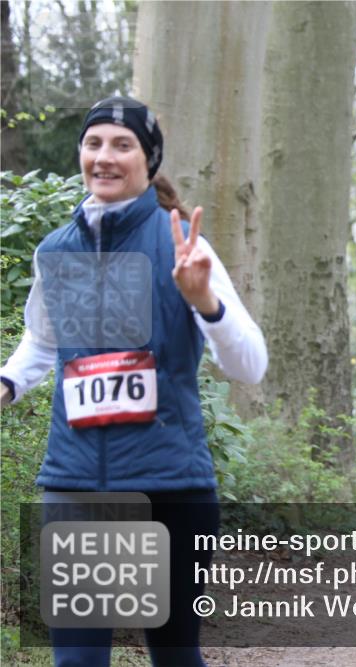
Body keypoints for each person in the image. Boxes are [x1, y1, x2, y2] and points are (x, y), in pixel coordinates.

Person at [0, 96, 268, 666]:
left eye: (122, 145)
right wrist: (7, 383)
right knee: (76, 660)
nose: (104, 156)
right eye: (94, 143)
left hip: (167, 485)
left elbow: (251, 366)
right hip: (75, 484)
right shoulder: (57, 250)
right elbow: (43, 341)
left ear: (149, 160)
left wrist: (206, 303)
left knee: (173, 655)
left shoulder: (185, 249)